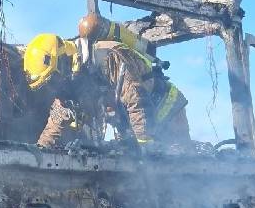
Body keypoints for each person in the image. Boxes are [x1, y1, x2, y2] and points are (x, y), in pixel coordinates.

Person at [21, 16, 191, 149]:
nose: (54, 87)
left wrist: (145, 145)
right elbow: (56, 120)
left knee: (181, 167)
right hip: (140, 125)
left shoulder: (107, 56)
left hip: (166, 110)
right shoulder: (73, 79)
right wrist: (40, 151)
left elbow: (136, 98)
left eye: (52, 79)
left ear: (62, 60)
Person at [79, 13, 191, 147]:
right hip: (150, 116)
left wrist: (144, 142)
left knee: (181, 153)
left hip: (168, 106)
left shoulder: (113, 57)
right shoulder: (97, 72)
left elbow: (136, 98)